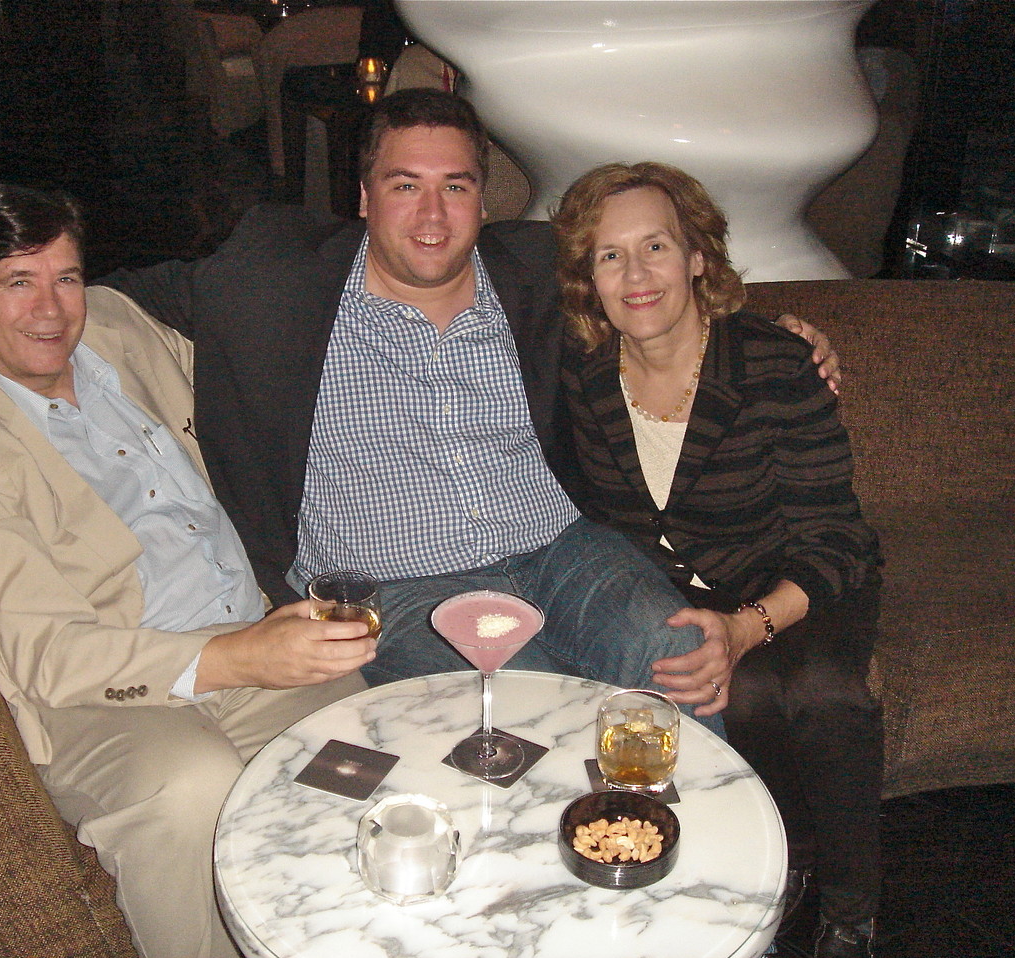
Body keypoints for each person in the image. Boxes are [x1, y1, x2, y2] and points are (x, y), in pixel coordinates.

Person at [99, 88, 838, 726]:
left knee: (680, 656)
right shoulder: (274, 279)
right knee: (529, 713)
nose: (432, 214)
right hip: (398, 588)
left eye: (455, 186)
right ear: (362, 197)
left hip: (560, 550)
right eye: (404, 185)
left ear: (485, 201)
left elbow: (657, 284)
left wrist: (771, 332)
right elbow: (110, 294)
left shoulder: (537, 271)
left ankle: (699, 870)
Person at [0, 185, 374, 958]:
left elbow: (246, 372)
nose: (52, 310)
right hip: (101, 694)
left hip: (242, 627)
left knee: (359, 755)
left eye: (67, 278)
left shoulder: (113, 326)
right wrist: (235, 659)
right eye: (18, 282)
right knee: (189, 788)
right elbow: (50, 654)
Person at [551, 161, 883, 958]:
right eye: (609, 255)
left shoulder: (773, 363)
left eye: (656, 246)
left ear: (698, 257)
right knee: (743, 694)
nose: (636, 274)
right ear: (587, 279)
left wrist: (748, 624)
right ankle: (790, 859)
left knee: (820, 690)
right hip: (685, 593)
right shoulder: (581, 375)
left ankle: (851, 912)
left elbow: (835, 536)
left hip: (803, 578)